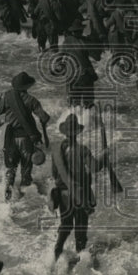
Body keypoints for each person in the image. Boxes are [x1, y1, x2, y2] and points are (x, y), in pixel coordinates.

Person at [0, 72, 50, 200]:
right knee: (26, 168)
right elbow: (44, 117)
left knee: (11, 167)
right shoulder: (32, 100)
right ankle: (24, 198)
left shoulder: (7, 97)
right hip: (26, 138)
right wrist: (45, 120)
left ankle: (7, 194)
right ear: (27, 86)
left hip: (10, 137)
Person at [50, 113, 108, 263]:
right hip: (80, 194)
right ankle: (80, 256)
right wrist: (103, 157)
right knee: (80, 227)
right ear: (77, 132)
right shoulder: (82, 150)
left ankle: (58, 248)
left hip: (63, 194)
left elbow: (54, 173)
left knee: (66, 224)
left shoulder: (57, 151)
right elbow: (95, 167)